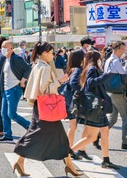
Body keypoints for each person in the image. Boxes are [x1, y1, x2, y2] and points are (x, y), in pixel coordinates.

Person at [12, 42, 82, 177]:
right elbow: (46, 90)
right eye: (50, 53)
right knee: (38, 134)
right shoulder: (45, 68)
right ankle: (20, 157)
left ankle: (69, 165)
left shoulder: (38, 65)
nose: (52, 55)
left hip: (40, 105)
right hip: (47, 107)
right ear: (44, 53)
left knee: (55, 136)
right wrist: (61, 80)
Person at [69, 50, 120, 169]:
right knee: (92, 137)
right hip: (96, 107)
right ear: (96, 59)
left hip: (96, 107)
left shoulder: (89, 68)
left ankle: (106, 160)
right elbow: (91, 83)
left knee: (105, 132)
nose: (101, 60)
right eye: (99, 58)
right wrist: (106, 75)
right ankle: (68, 152)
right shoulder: (92, 68)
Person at [0, 40, 31, 143]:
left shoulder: (16, 59)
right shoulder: (6, 59)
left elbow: (28, 68)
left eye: (5, 47)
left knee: (11, 114)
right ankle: (7, 135)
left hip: (14, 89)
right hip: (6, 89)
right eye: (2, 47)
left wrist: (23, 80)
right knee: (4, 113)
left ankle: (30, 126)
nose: (2, 49)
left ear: (11, 48)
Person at [104, 41, 127, 150]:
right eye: (123, 50)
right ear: (119, 50)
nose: (124, 52)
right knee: (125, 118)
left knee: (113, 117)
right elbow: (123, 74)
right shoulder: (116, 61)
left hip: (109, 91)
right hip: (117, 92)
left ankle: (98, 134)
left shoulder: (108, 60)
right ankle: (125, 142)